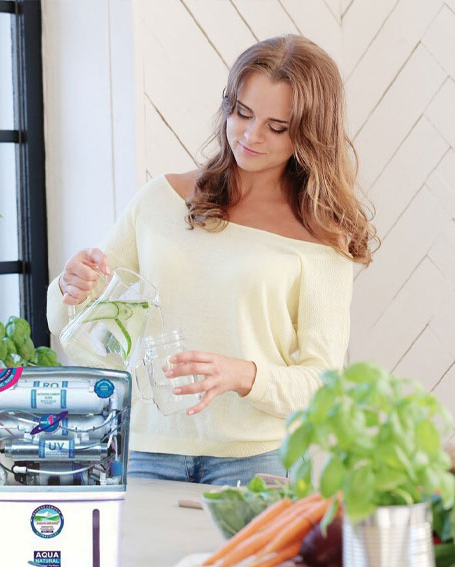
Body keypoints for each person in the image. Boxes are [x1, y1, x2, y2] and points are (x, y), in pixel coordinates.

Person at [47, 34, 377, 486]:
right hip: (147, 452)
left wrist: (244, 376)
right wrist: (72, 286)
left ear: (309, 134)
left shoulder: (318, 237)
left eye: (277, 127)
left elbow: (324, 383)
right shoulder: (160, 201)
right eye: (242, 112)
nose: (251, 135)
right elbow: (79, 326)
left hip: (256, 460)